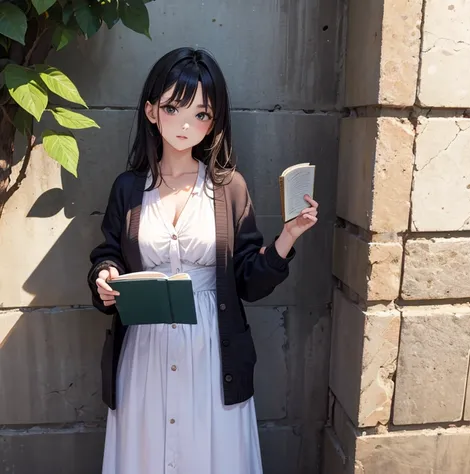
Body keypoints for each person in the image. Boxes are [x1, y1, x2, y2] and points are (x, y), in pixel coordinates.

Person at [87, 47, 318, 474]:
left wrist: (288, 236)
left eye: (202, 114)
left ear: (215, 122)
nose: (187, 124)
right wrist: (106, 277)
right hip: (145, 351)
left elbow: (249, 280)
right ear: (152, 111)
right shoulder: (128, 188)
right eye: (175, 108)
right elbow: (108, 254)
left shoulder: (229, 187)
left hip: (213, 351)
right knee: (147, 454)